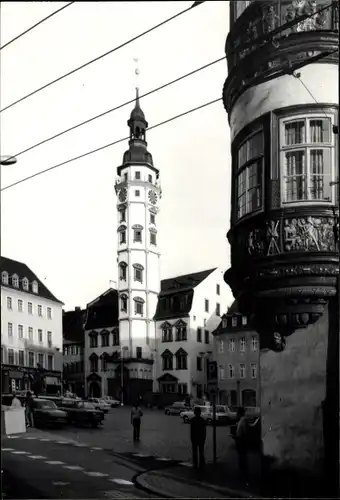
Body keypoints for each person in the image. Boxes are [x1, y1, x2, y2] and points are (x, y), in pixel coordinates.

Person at [235, 407, 249, 484]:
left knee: (242, 456)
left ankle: (243, 473)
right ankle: (242, 471)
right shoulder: (241, 420)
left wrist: (240, 438)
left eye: (237, 413)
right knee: (241, 456)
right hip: (240, 440)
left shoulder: (243, 420)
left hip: (242, 441)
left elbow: (245, 432)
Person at [190, 406, 206, 471]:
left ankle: (195, 465)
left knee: (195, 453)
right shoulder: (202, 420)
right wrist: (204, 438)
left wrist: (191, 438)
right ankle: (202, 465)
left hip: (194, 439)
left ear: (194, 413)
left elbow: (192, 431)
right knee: (201, 453)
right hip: (201, 438)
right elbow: (204, 431)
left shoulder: (192, 420)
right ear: (200, 412)